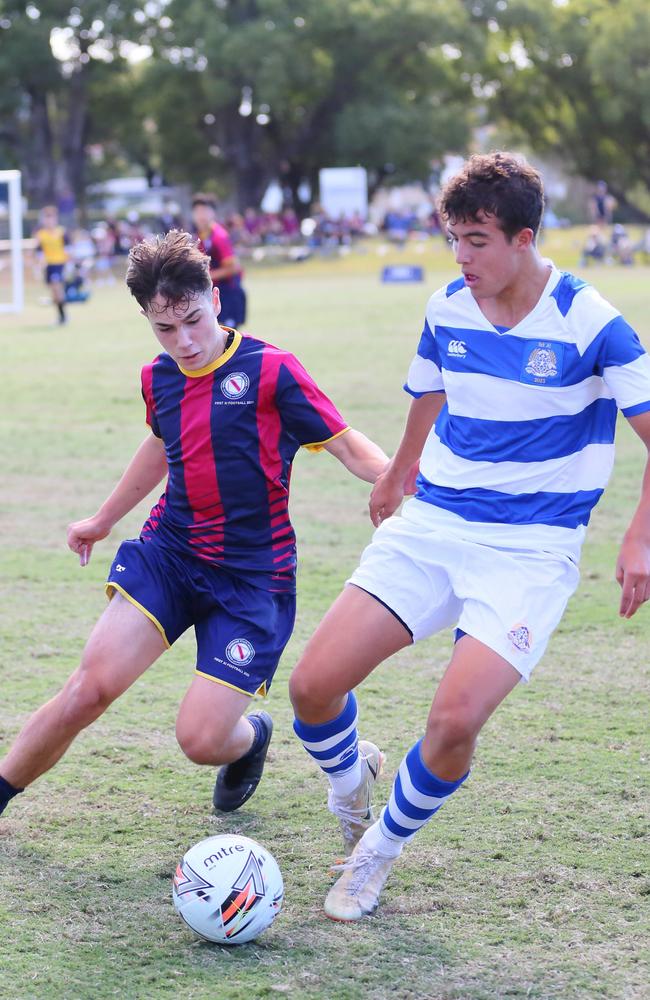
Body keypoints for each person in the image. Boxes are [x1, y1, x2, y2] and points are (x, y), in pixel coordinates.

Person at [288, 152, 650, 922]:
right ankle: (353, 789)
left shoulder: (589, 321)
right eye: (454, 237)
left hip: (531, 551)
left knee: (453, 722)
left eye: (478, 240)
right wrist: (397, 473)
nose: (462, 256)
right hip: (435, 524)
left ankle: (375, 855)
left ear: (524, 238)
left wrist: (638, 539)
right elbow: (430, 387)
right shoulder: (448, 305)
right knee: (312, 689)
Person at [0, 230, 391, 823]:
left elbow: (347, 445)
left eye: (193, 320)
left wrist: (396, 478)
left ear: (214, 295)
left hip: (251, 578)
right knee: (88, 689)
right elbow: (163, 445)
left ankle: (251, 739)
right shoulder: (159, 378)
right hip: (172, 554)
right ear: (146, 318)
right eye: (165, 328)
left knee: (201, 740)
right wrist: (104, 519)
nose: (183, 341)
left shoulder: (272, 371)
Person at [192, 193, 247, 329]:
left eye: (205, 211)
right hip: (211, 294)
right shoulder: (200, 236)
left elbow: (233, 268)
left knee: (226, 341)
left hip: (228, 294)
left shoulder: (219, 236)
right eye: (198, 211)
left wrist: (203, 277)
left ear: (213, 213)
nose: (201, 215)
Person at [33, 205, 69, 325]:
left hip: (59, 264)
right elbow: (39, 251)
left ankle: (64, 318)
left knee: (57, 288)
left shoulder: (61, 232)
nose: (49, 221)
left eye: (51, 218)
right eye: (47, 218)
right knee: (54, 294)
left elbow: (68, 249)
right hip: (48, 266)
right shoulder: (41, 234)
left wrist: (69, 264)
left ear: (55, 219)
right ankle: (60, 316)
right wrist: (38, 266)